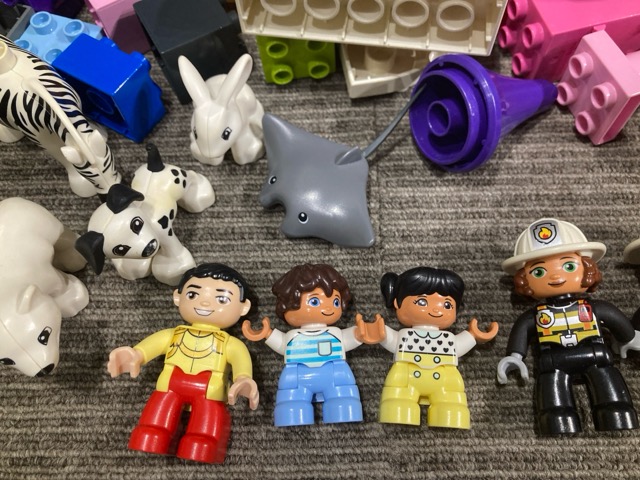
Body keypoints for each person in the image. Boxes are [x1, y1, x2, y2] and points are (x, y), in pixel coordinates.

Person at [498, 218, 640, 434]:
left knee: (608, 386)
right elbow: (522, 331)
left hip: (595, 355)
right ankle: (556, 417)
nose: (556, 276)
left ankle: (616, 411)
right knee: (552, 394)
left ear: (587, 269)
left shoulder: (594, 308)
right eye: (539, 272)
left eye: (569, 266)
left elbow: (614, 318)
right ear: (524, 280)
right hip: (554, 361)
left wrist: (629, 338)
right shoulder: (534, 316)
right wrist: (515, 357)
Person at [108, 263, 259, 463]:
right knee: (158, 412)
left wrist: (243, 380)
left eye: (222, 299)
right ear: (177, 297)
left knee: (208, 418)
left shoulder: (231, 344)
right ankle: (152, 432)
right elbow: (148, 348)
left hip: (210, 392)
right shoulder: (172, 334)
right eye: (193, 295)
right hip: (170, 386)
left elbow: (242, 364)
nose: (205, 303)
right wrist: (135, 355)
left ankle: (205, 440)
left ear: (243, 307)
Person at [242, 263, 384, 426]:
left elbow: (350, 338)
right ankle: (292, 412)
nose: (328, 308)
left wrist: (360, 334)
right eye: (315, 301)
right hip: (296, 377)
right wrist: (266, 334)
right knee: (291, 403)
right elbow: (282, 345)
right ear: (286, 306)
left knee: (344, 398)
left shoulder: (335, 333)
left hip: (336, 374)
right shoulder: (293, 337)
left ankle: (344, 409)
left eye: (335, 302)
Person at [377, 266, 498, 428]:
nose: (436, 309)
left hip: (445, 381)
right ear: (397, 304)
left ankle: (449, 412)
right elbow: (390, 340)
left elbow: (458, 346)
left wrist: (474, 335)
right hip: (405, 377)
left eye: (447, 305)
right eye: (422, 301)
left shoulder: (448, 339)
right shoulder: (404, 336)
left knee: (451, 403)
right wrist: (379, 332)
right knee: (397, 400)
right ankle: (397, 408)